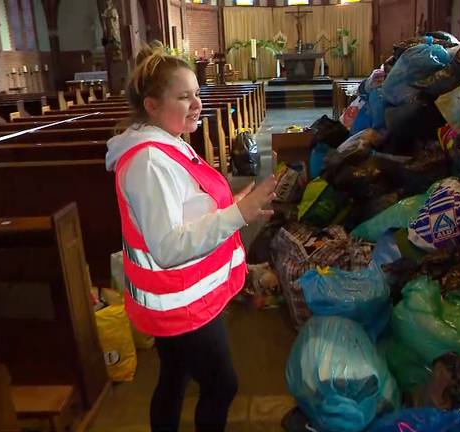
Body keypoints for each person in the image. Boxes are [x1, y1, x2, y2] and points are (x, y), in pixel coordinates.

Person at [105, 43, 276, 432]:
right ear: (151, 105)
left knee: (175, 376)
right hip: (180, 304)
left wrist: (232, 203)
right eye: (184, 97)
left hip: (182, 297)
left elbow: (184, 209)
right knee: (221, 385)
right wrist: (238, 216)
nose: (197, 104)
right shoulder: (149, 161)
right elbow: (167, 247)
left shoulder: (169, 140)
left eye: (197, 93)